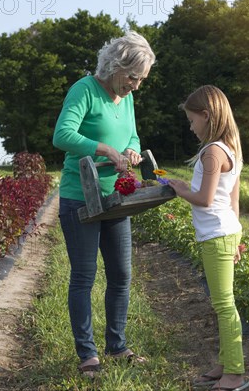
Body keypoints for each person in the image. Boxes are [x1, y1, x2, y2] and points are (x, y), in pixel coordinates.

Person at [52, 31, 155, 377]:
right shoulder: (85, 90)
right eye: (133, 77)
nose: (136, 86)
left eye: (141, 80)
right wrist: (105, 149)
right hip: (80, 197)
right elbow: (62, 135)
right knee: (84, 275)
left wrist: (131, 149)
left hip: (116, 198)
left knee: (121, 275)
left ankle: (117, 345)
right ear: (115, 65)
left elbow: (132, 135)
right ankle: (87, 355)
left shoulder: (125, 98)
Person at [168, 85, 249, 391]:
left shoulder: (212, 152)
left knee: (224, 304)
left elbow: (203, 198)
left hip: (216, 235)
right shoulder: (231, 148)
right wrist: (237, 238)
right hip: (226, 230)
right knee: (223, 302)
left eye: (192, 121)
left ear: (207, 115)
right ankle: (225, 363)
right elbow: (233, 201)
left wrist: (178, 189)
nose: (191, 127)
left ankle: (235, 375)